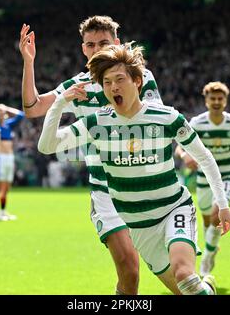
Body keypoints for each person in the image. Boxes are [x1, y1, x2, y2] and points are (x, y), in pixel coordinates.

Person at [37, 44, 230, 295]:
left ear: (138, 81)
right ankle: (207, 288)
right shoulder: (96, 123)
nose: (113, 87)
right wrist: (59, 103)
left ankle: (199, 283)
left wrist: (224, 206)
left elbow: (205, 158)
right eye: (107, 82)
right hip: (139, 226)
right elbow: (47, 146)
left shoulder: (167, 117)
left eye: (120, 79)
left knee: (185, 275)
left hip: (173, 209)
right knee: (185, 290)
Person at [20, 16, 163, 294]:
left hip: (143, 186)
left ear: (117, 43)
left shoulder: (139, 77)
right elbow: (33, 108)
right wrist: (28, 62)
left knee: (168, 269)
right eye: (90, 44)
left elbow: (152, 118)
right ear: (83, 48)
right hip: (105, 190)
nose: (97, 49)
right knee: (130, 270)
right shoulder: (78, 86)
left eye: (104, 43)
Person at [175, 81, 230, 276]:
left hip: (228, 176)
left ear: (226, 101)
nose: (217, 102)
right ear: (206, 101)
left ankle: (207, 258)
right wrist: (184, 155)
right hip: (204, 178)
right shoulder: (197, 123)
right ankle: (213, 248)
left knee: (215, 216)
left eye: (220, 98)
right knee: (206, 221)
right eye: (213, 98)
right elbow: (180, 145)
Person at [0, 104, 25, 221]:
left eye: (2, 112)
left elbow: (21, 115)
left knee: (6, 186)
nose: (0, 114)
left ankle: (3, 211)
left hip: (9, 157)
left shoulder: (8, 125)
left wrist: (7, 108)